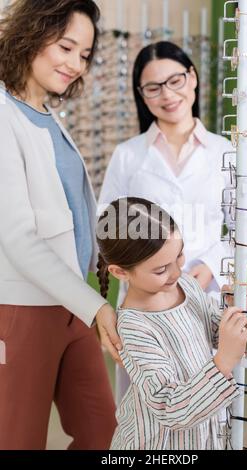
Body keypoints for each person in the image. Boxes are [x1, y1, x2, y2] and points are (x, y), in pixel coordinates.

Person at [97, 41, 247, 401]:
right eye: (153, 87)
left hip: (208, 295)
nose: (167, 94)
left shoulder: (227, 151)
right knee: (148, 403)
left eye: (176, 80)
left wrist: (210, 267)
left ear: (194, 78)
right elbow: (106, 226)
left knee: (210, 398)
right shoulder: (128, 155)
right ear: (142, 95)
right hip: (144, 304)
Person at [0, 0, 117, 450]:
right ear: (32, 34)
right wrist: (97, 306)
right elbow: (17, 236)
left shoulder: (48, 118)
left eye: (84, 55)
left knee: (102, 432)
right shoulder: (5, 116)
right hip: (25, 310)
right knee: (18, 439)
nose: (74, 64)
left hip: (72, 305)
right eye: (66, 47)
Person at [96, 197, 247, 450]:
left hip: (202, 434)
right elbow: (170, 409)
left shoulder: (187, 285)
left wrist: (233, 311)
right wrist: (223, 361)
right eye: (160, 270)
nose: (177, 272)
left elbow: (216, 333)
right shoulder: (133, 329)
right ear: (120, 273)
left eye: (179, 256)